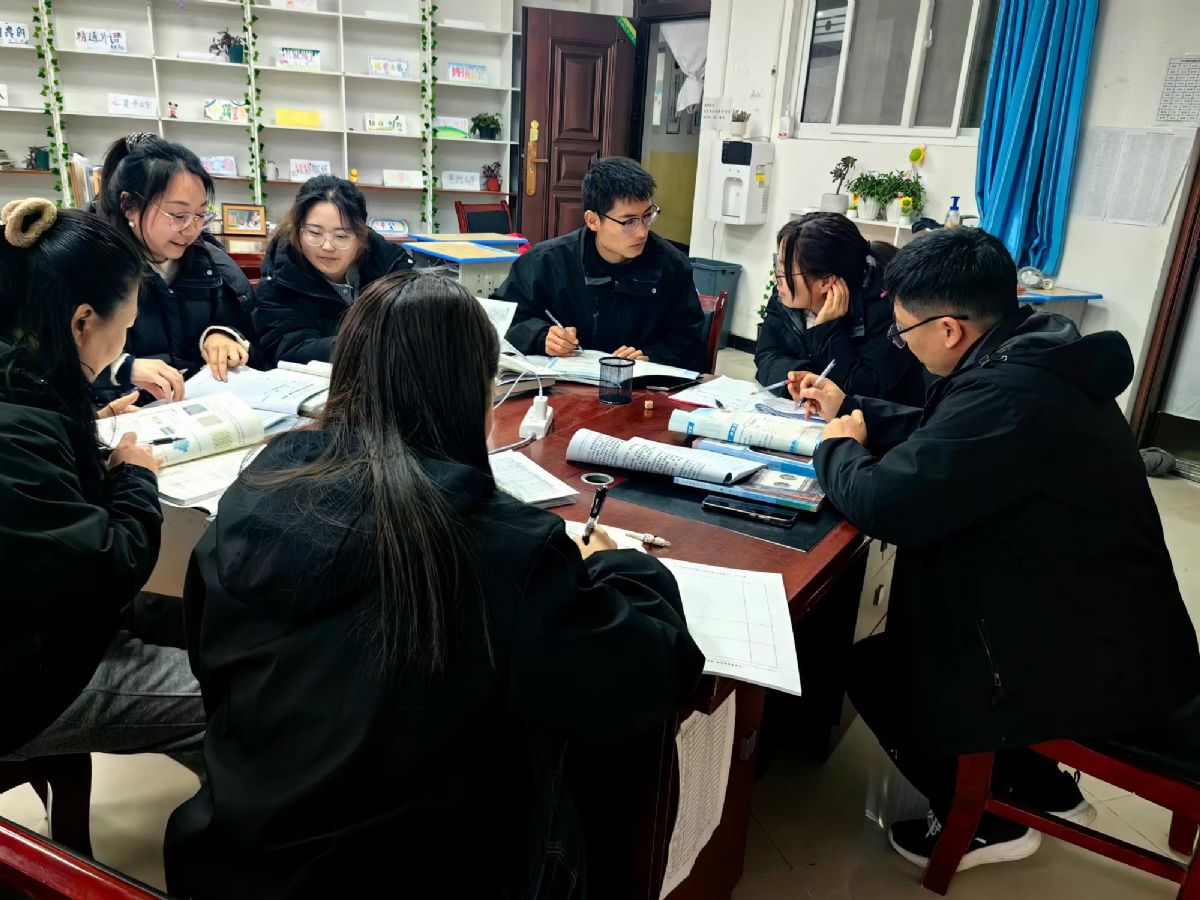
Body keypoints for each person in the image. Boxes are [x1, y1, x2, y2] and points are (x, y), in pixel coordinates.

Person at [166, 272, 704, 899]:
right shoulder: (503, 545)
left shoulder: (256, 490)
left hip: (231, 859)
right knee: (587, 770)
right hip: (421, 872)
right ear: (472, 391)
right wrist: (618, 565)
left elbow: (208, 661)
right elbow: (650, 673)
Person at [794, 227, 1200, 872]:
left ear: (948, 329)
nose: (902, 342)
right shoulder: (1031, 352)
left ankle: (992, 818)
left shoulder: (1011, 395)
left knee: (878, 668)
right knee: (915, 630)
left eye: (903, 332)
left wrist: (836, 448)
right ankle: (1042, 787)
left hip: (1090, 657)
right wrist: (855, 409)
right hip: (1112, 624)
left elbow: (886, 506)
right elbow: (950, 437)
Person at [0, 198, 205, 774]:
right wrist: (135, 476)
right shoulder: (17, 426)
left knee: (220, 618)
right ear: (83, 321)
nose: (123, 341)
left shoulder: (28, 380)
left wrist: (82, 426)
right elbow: (108, 568)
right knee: (239, 697)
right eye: (126, 327)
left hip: (40, 614)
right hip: (27, 673)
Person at [496, 157, 706, 371]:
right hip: (562, 383)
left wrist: (649, 358)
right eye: (629, 222)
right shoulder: (546, 261)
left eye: (647, 216)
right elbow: (501, 319)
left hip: (638, 386)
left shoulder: (672, 266)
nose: (642, 232)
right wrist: (541, 336)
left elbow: (689, 341)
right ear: (593, 221)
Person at [93, 133, 257, 403]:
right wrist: (123, 369)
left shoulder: (210, 264)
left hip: (197, 408)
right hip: (122, 414)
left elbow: (247, 329)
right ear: (129, 206)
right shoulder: (89, 265)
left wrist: (222, 334)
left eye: (200, 215)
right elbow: (49, 361)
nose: (191, 230)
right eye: (178, 215)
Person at [756, 213, 925, 406]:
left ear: (826, 281)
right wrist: (801, 378)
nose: (777, 278)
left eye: (785, 271)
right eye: (778, 266)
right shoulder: (786, 297)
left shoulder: (886, 309)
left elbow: (872, 392)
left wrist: (827, 331)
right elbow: (767, 354)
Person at [254, 175, 414, 365]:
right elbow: (289, 349)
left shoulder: (390, 263)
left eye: (341, 236)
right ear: (297, 230)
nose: (327, 246)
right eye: (315, 233)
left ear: (361, 236)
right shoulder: (278, 278)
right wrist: (371, 344)